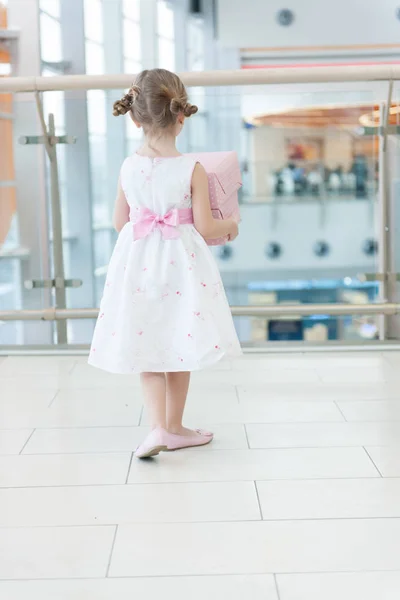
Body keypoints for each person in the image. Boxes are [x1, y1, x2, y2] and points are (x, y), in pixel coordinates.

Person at [88, 69, 242, 458]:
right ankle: (174, 427)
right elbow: (206, 226)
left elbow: (119, 221)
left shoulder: (128, 166)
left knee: (148, 343)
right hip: (180, 265)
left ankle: (159, 428)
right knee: (180, 340)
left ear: (134, 117)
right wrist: (233, 226)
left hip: (138, 263)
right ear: (181, 116)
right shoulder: (192, 169)